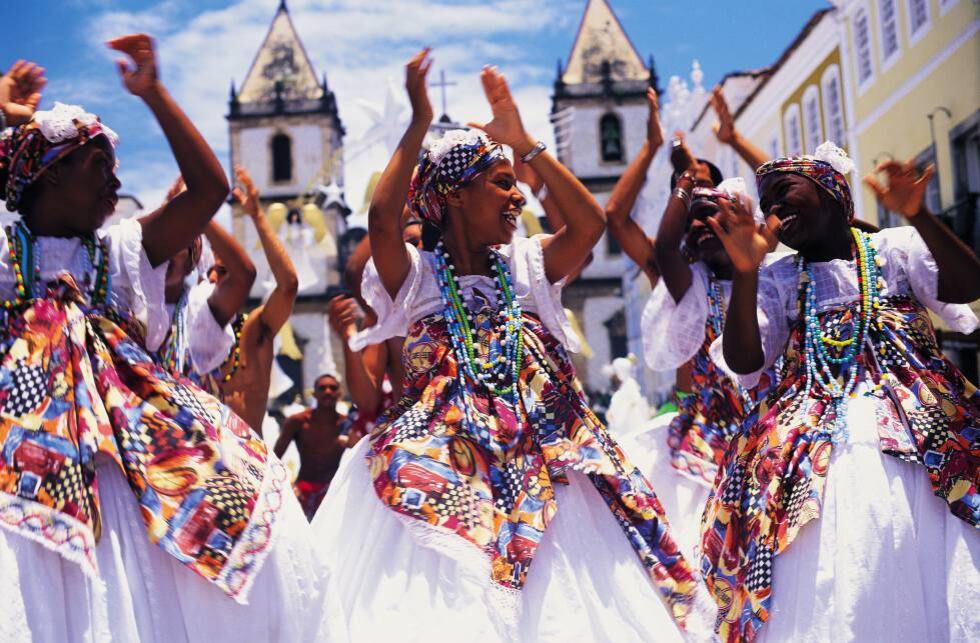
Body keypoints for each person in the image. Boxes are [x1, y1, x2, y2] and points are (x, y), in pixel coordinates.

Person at [312, 49, 714, 642]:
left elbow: (589, 225)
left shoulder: (525, 267)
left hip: (545, 461)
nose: (518, 198)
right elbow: (379, 221)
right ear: (452, 195)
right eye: (501, 185)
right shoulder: (419, 281)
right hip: (445, 470)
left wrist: (524, 145)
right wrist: (419, 119)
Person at [0, 37, 334, 642]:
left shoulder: (123, 252)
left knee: (136, 598)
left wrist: (153, 92)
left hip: (124, 464)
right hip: (23, 462)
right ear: (47, 177)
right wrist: (8, 122)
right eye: (96, 164)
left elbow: (209, 192)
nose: (114, 178)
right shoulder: (5, 260)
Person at [702, 142, 980, 641]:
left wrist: (919, 214)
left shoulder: (894, 250)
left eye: (785, 193)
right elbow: (745, 360)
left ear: (833, 193)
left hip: (925, 426)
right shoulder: (779, 279)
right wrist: (746, 275)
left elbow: (967, 284)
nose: (774, 210)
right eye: (767, 204)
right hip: (817, 433)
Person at [218, 165, 299, 433]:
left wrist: (257, 217)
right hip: (201, 467)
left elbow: (287, 286)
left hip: (251, 463)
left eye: (226, 273)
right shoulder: (183, 338)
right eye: (213, 272)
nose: (218, 280)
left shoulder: (250, 333)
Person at [159, 176, 256, 395]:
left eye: (178, 244)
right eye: (161, 241)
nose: (166, 252)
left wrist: (195, 209)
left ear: (191, 262)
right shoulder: (125, 300)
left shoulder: (198, 307)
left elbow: (244, 275)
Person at [274, 373, 348, 520]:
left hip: (331, 491)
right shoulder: (297, 422)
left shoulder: (346, 424)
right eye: (323, 388)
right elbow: (275, 457)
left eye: (333, 388)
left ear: (339, 394)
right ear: (314, 393)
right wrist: (282, 489)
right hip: (303, 488)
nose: (328, 392)